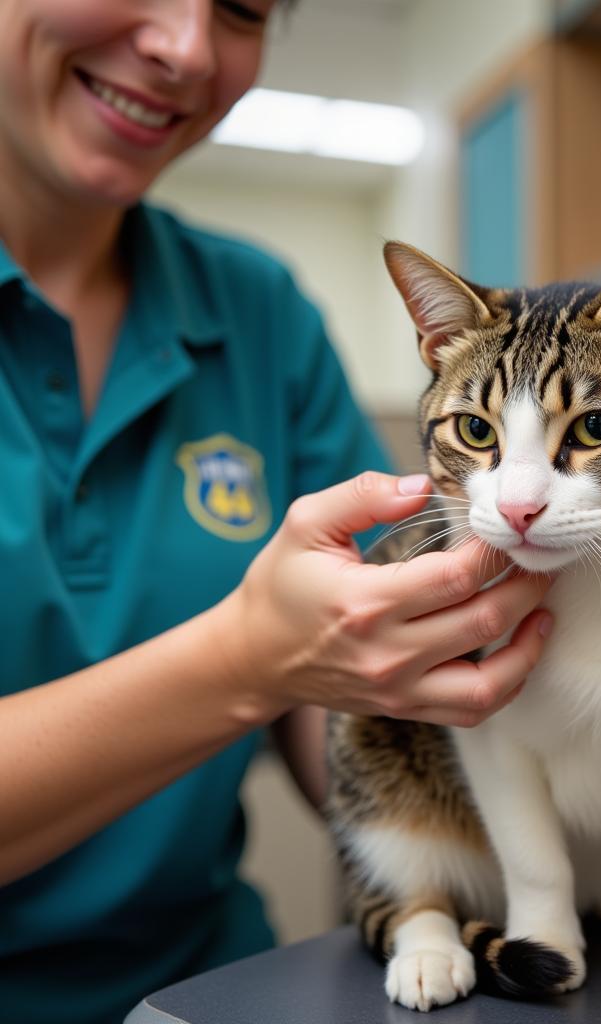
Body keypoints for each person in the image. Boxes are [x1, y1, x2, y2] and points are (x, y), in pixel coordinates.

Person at [0, 2, 553, 1022]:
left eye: (243, 9)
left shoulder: (258, 314)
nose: (187, 48)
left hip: (208, 989)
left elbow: (342, 672)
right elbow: (279, 656)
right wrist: (249, 657)